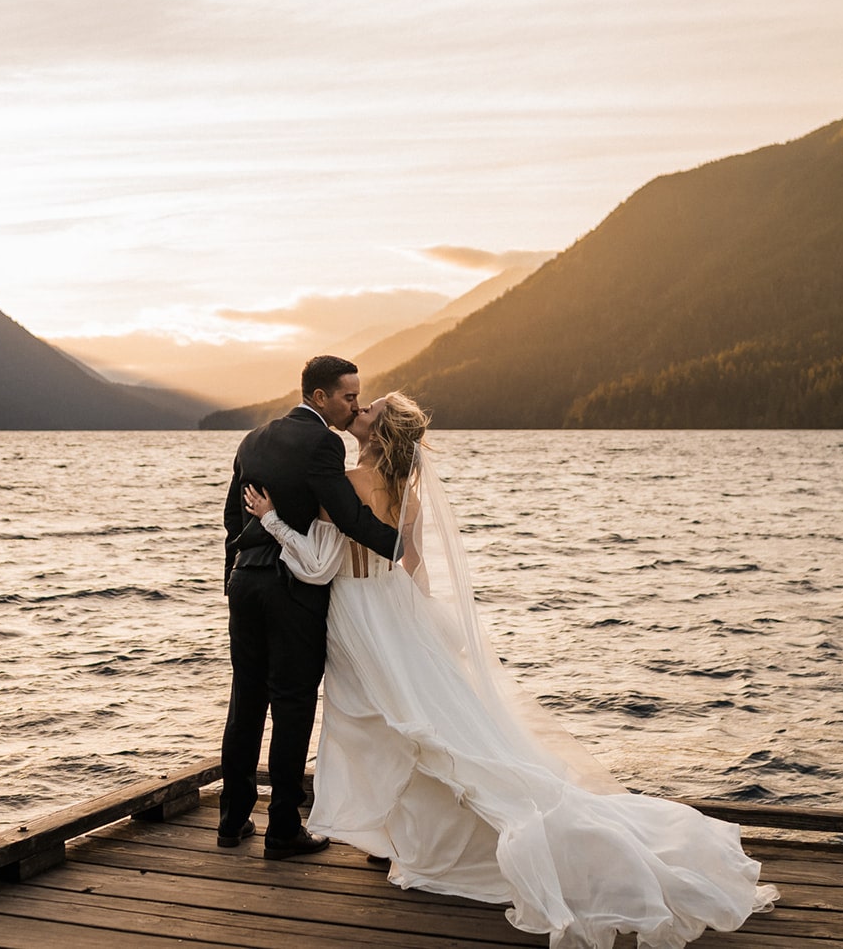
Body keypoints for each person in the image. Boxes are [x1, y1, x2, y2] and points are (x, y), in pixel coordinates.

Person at [242, 392, 778, 948]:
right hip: (398, 612)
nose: (360, 409)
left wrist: (274, 520)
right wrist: (424, 633)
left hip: (357, 616)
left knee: (375, 726)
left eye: (369, 408)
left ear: (377, 434)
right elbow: (414, 567)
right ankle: (402, 838)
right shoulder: (409, 495)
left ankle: (405, 841)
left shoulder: (345, 486)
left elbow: (318, 564)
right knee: (415, 725)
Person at [218, 355, 400, 860]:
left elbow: (232, 520)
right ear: (319, 397)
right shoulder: (323, 442)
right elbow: (348, 517)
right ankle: (282, 831)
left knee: (245, 702)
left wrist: (231, 578)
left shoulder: (252, 438)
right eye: (348, 396)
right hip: (291, 586)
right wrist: (402, 547)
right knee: (293, 704)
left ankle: (231, 822)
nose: (355, 405)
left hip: (246, 582)